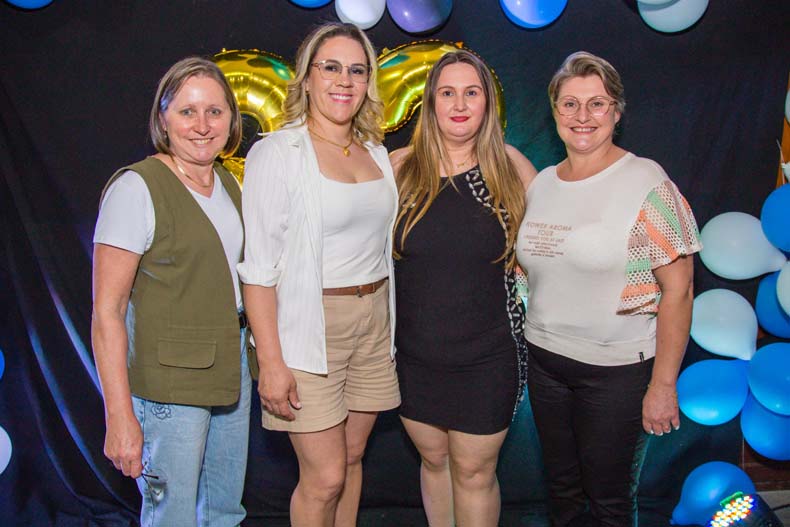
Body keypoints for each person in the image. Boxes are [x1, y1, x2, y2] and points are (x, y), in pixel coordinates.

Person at [516, 51, 702, 527]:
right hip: (545, 364)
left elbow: (679, 292)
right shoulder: (543, 184)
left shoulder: (645, 182)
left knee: (610, 503)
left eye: (596, 104)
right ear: (554, 111)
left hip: (616, 374)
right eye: (570, 104)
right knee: (561, 493)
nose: (583, 116)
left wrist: (663, 385)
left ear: (616, 112)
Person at [237, 23, 400, 527]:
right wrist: (271, 362)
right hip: (310, 326)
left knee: (351, 459)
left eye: (357, 70)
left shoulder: (375, 152)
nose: (344, 80)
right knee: (325, 477)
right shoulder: (277, 153)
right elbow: (258, 271)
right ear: (306, 78)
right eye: (330, 67)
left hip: (374, 321)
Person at [91, 57, 250, 526]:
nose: (202, 125)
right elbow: (107, 312)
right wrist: (119, 414)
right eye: (187, 111)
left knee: (224, 511)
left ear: (231, 119)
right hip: (170, 384)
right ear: (163, 119)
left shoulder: (227, 182)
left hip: (232, 368)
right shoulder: (136, 188)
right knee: (172, 515)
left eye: (214, 112)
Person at [390, 49, 537, 527]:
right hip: (413, 357)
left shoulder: (510, 167)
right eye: (447, 93)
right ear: (430, 102)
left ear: (487, 102)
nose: (459, 104)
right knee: (434, 462)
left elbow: (555, 249)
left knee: (474, 472)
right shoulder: (399, 168)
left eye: (471, 92)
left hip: (488, 357)